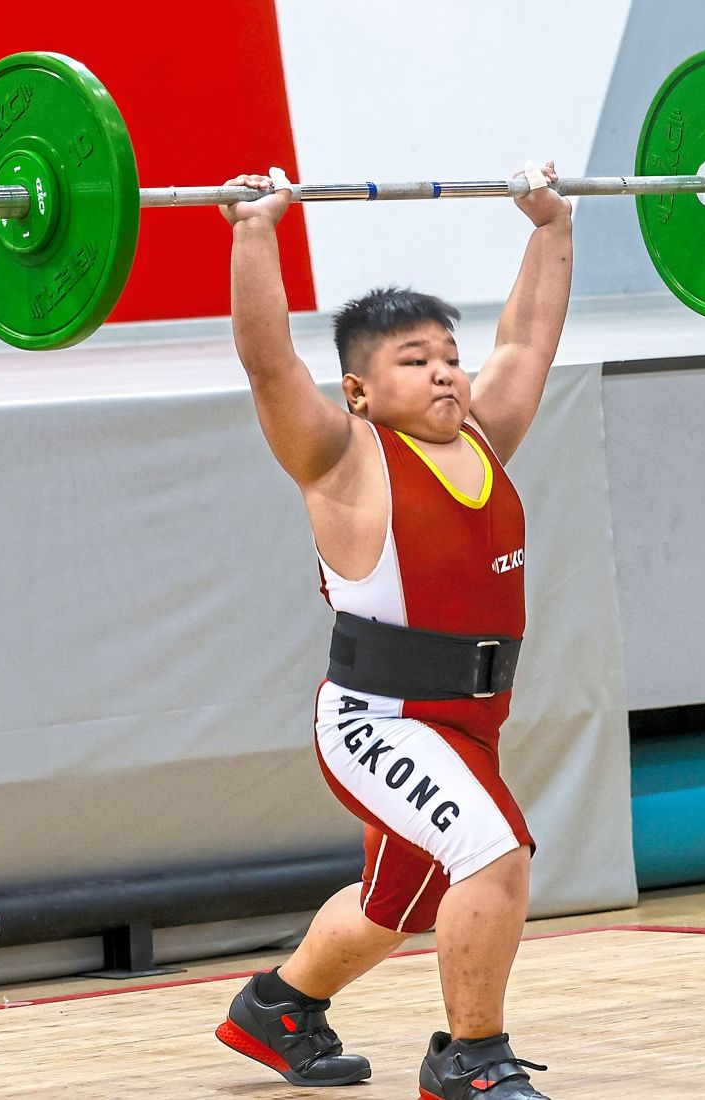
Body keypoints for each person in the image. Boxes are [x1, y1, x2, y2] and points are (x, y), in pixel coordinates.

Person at [215, 161, 572, 1100]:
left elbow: (527, 340)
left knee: (395, 905)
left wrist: (551, 227)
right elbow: (268, 363)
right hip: (379, 720)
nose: (445, 369)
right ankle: (470, 1060)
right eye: (414, 360)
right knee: (493, 853)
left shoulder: (483, 436)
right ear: (360, 391)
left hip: (471, 720)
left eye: (449, 353)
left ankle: (279, 1007)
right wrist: (255, 234)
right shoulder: (342, 459)